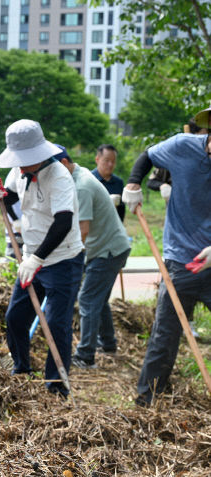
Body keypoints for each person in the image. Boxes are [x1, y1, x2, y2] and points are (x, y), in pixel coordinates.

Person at [0, 120, 84, 397]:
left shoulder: (59, 177)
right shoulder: (18, 171)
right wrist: (0, 196)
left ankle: (56, 387)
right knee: (15, 317)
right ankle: (21, 369)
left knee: (56, 325)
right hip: (31, 257)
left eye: (27, 160)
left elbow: (63, 222)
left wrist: (37, 258)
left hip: (63, 260)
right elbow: (13, 197)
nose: (22, 166)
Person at [122, 105, 211, 406]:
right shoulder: (183, 146)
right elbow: (148, 155)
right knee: (165, 334)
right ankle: (148, 401)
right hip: (181, 260)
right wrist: (135, 182)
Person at [55, 146, 132, 369]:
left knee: (87, 299)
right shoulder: (79, 174)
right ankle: (108, 343)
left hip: (108, 251)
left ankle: (85, 356)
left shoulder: (82, 187)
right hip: (111, 247)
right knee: (97, 298)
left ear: (62, 165)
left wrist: (68, 257)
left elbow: (83, 230)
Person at [91, 144, 125, 222]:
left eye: (113, 161)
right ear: (97, 159)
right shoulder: (89, 179)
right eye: (106, 160)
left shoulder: (118, 182)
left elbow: (121, 210)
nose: (110, 164)